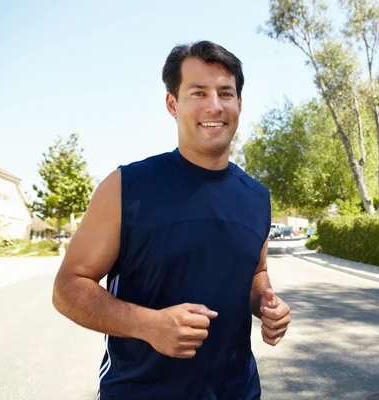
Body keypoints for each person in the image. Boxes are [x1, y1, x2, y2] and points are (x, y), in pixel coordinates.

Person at [52, 40, 291, 400]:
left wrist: (266, 304)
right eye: (198, 92)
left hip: (238, 391)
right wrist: (149, 325)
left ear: (239, 104)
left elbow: (256, 273)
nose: (215, 105)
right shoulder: (126, 187)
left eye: (226, 93)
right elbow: (68, 288)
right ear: (172, 104)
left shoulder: (257, 197)